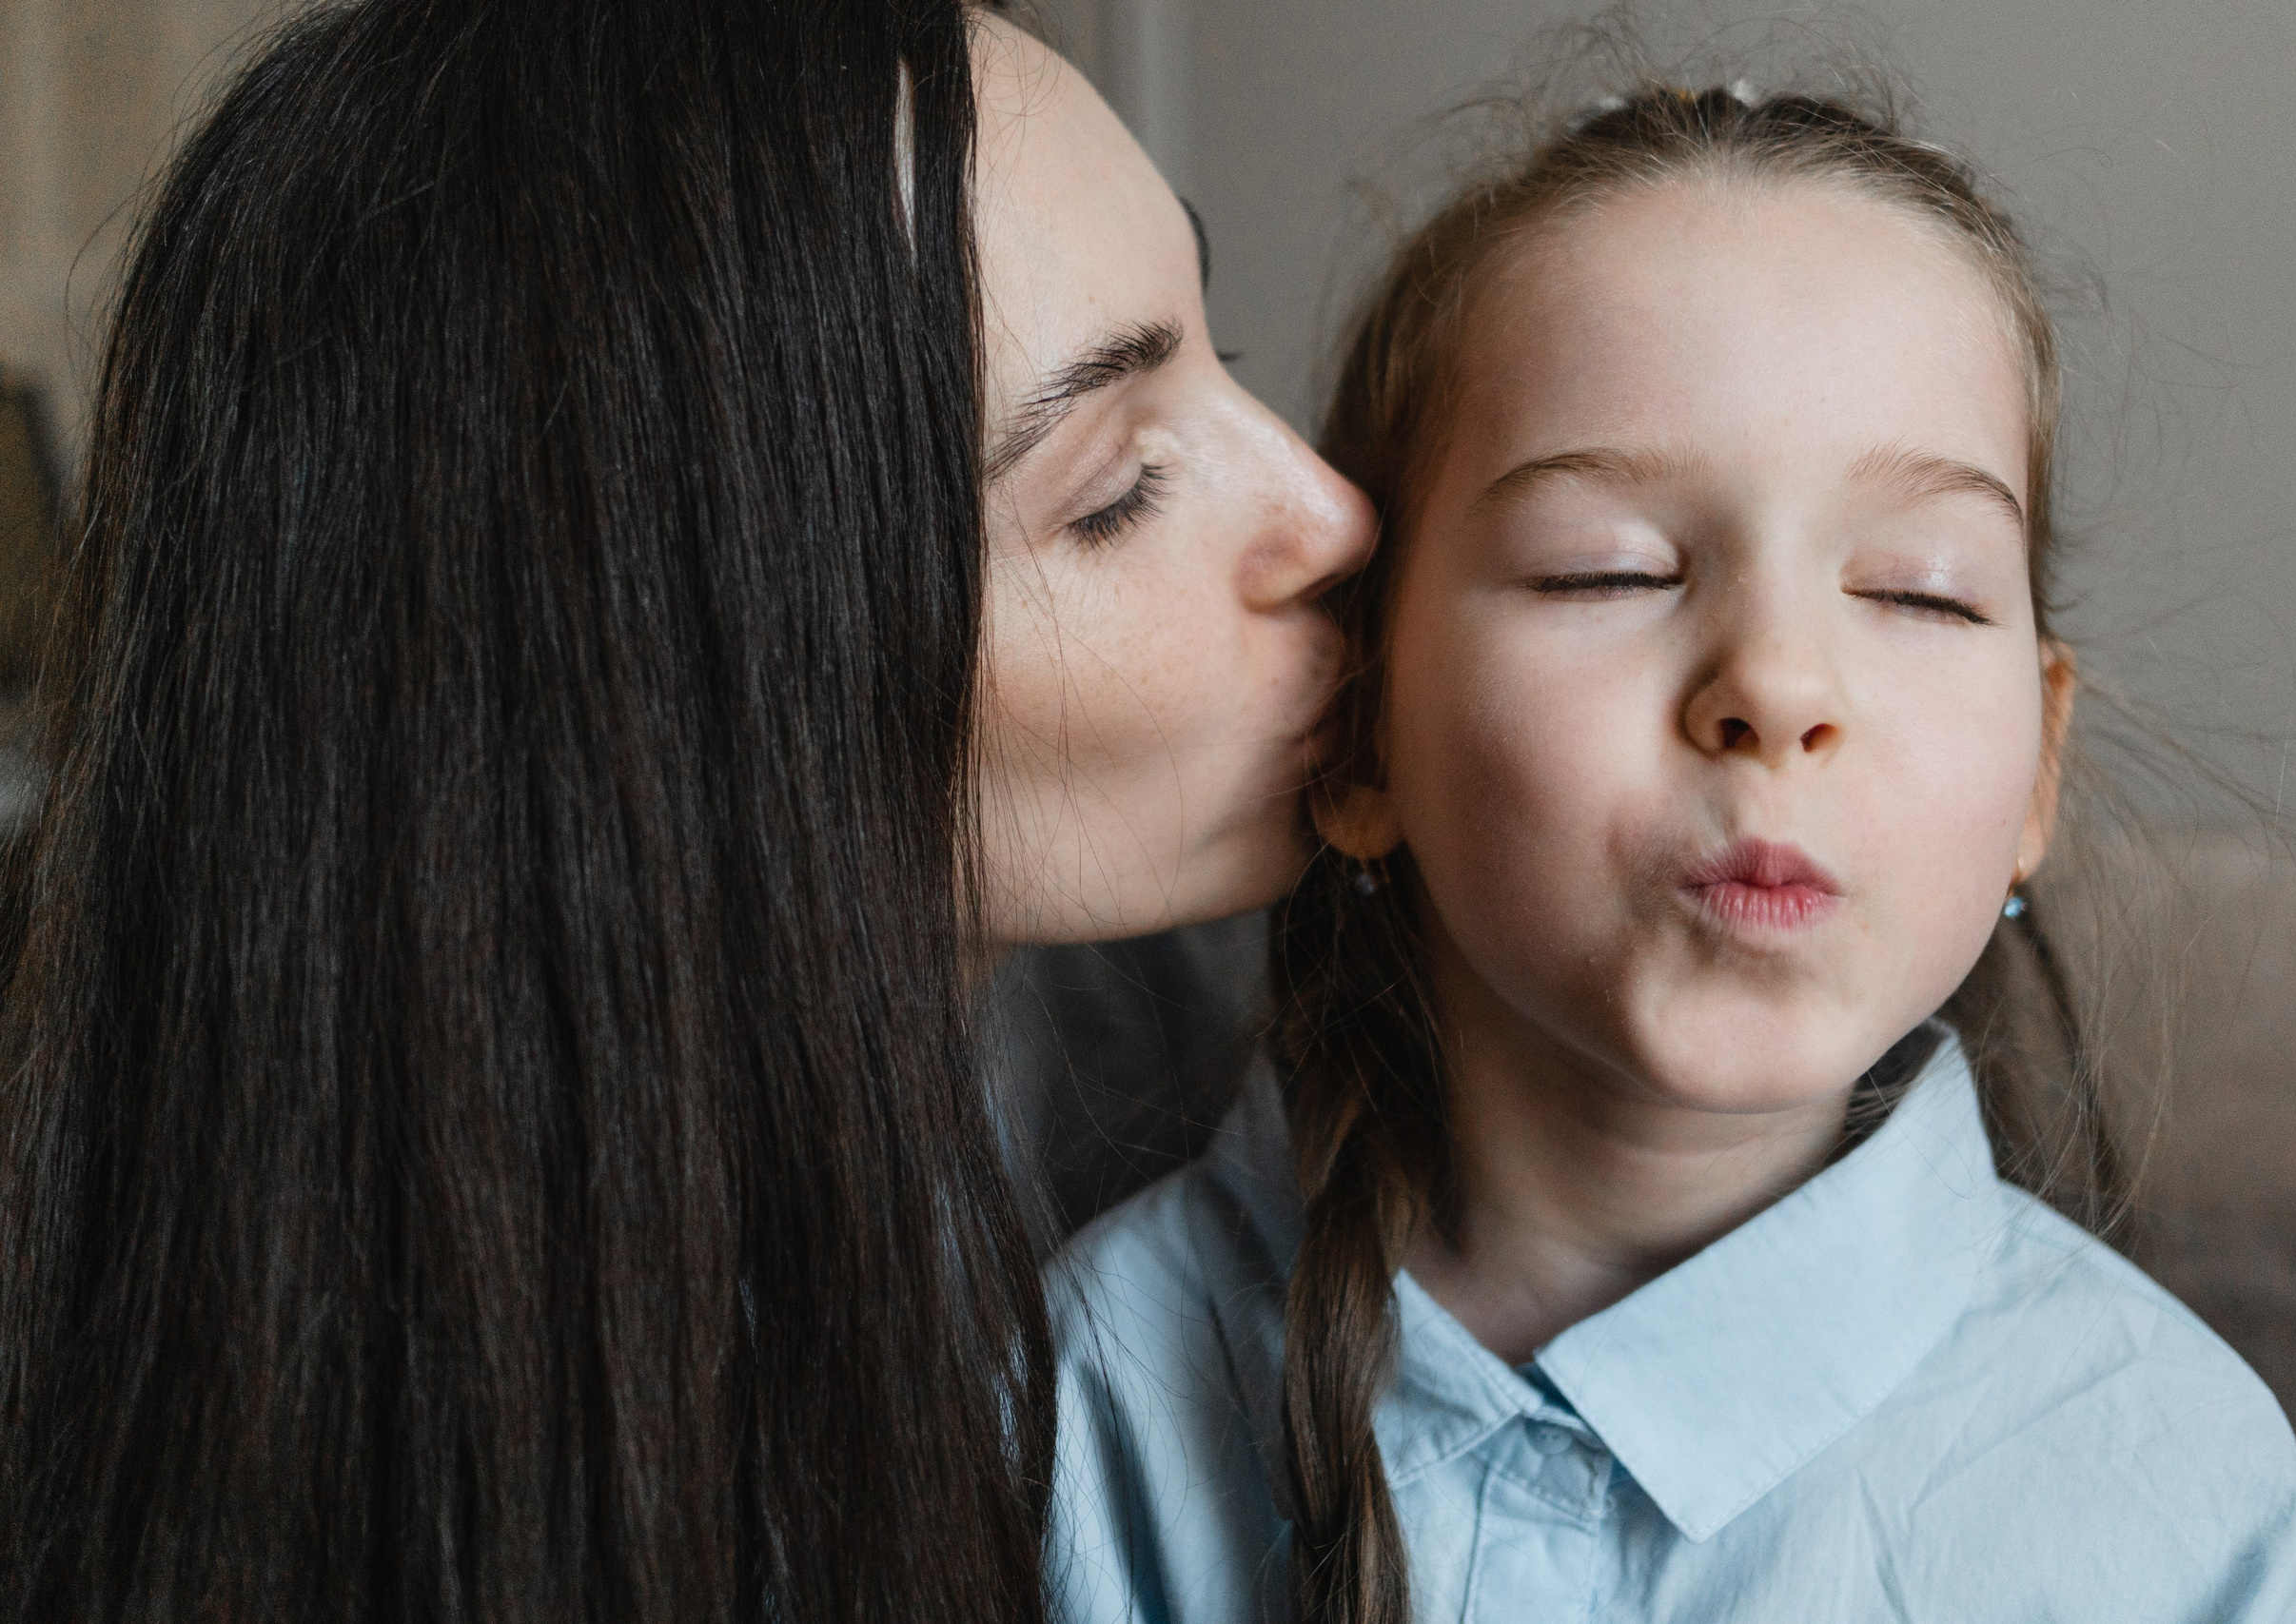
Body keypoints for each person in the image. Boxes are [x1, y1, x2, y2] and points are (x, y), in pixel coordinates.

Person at [0, 0, 1365, 1616]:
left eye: (1228, 349)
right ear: (669, 678)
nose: (1332, 512)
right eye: (1114, 489)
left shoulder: (1199, 1057)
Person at [1047, 81, 2296, 1622]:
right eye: (1608, 569)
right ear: (1357, 732)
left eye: (1921, 594)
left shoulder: (2185, 1499)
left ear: (2039, 769)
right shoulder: (1073, 1407)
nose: (1779, 689)